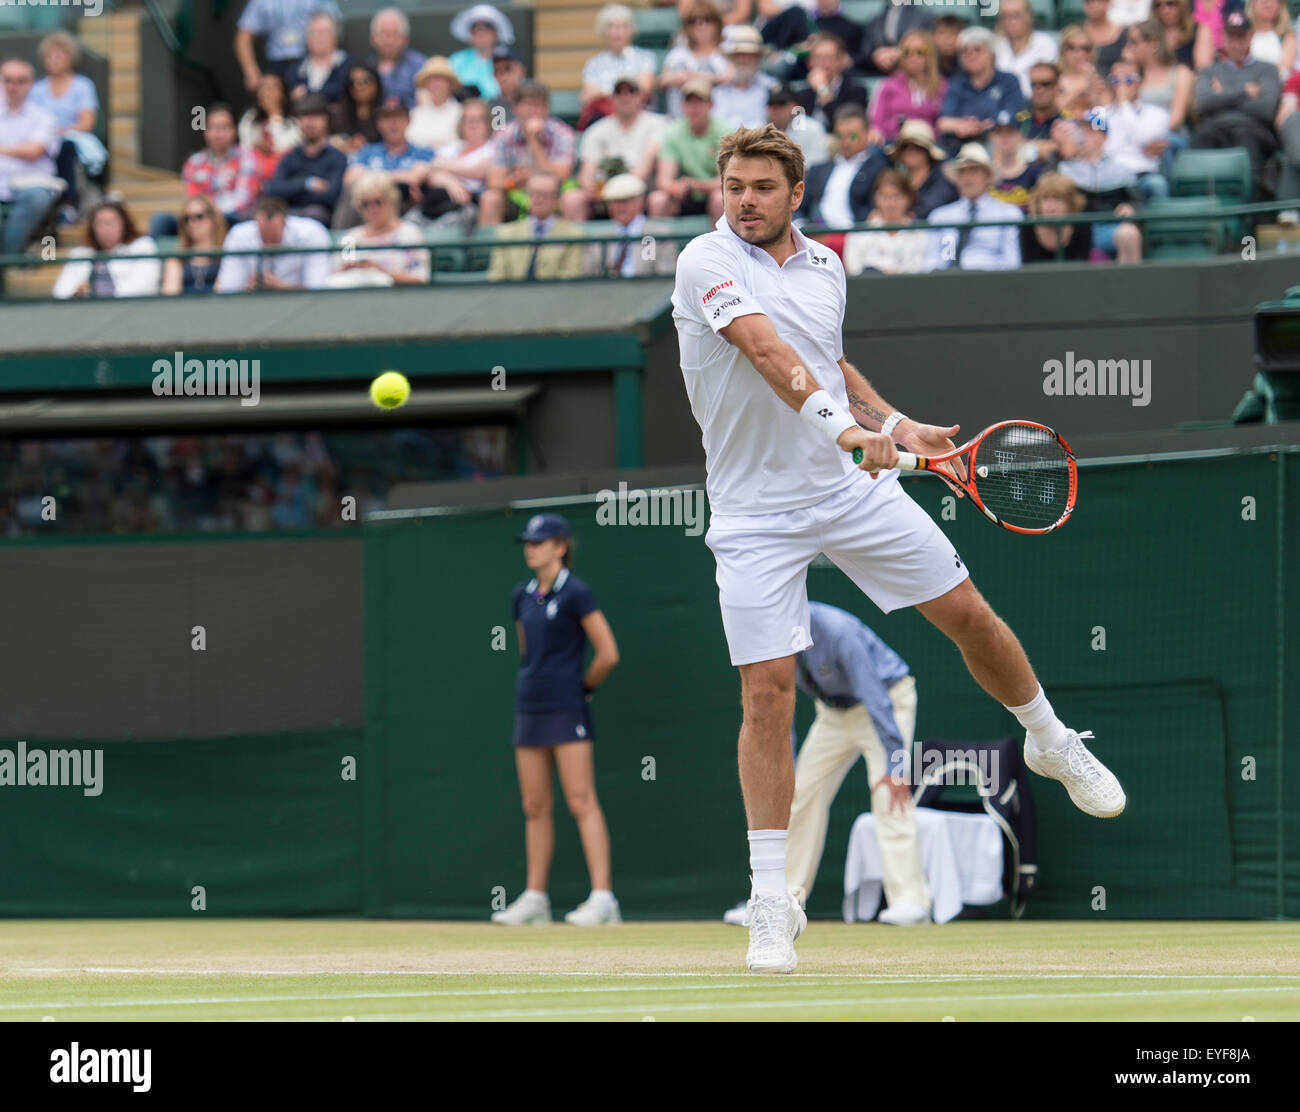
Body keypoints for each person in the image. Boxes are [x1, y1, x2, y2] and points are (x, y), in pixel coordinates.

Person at [669, 122, 1125, 972]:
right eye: (735, 185)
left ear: (796, 193)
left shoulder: (829, 266)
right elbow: (766, 354)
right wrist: (846, 431)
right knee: (768, 696)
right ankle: (774, 900)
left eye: (764, 187)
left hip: (851, 491)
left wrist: (892, 422)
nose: (746, 200)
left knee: (970, 617)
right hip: (753, 513)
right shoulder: (705, 260)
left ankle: (1050, 739)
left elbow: (827, 364)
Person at [723, 601, 930, 925]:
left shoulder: (838, 631)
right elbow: (777, 717)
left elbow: (875, 695)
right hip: (833, 715)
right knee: (798, 796)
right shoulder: (773, 640)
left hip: (887, 704)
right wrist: (782, 773)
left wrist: (897, 764)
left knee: (889, 794)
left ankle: (911, 901)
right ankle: (780, 899)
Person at [491, 513, 622, 927]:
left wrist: (583, 688)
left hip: (568, 707)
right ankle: (536, 899)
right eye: (527, 542)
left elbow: (608, 653)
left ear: (560, 547)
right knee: (534, 805)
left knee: (581, 800)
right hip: (530, 705)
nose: (530, 547)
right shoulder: (521, 596)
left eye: (539, 541)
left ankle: (603, 899)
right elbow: (527, 651)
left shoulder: (577, 593)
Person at [1192, 11, 1281, 181]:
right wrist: (1245, 92)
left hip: (1252, 130)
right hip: (1214, 130)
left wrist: (1221, 94)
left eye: (1241, 37)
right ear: (1223, 38)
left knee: (1245, 139)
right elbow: (1203, 103)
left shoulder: (1267, 69)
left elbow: (1265, 109)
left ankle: (1248, 203)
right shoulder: (1209, 71)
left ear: (1250, 37)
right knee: (1200, 141)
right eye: (1231, 38)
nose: (1235, 44)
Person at [29, 31, 104, 224]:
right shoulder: (36, 89)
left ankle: (68, 204)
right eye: (49, 56)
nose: (53, 60)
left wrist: (60, 132)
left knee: (64, 147)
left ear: (70, 58)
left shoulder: (82, 86)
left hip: (71, 141)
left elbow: (87, 123)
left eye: (59, 55)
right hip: (42, 142)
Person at [478, 82, 578, 226]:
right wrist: (513, 181)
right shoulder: (503, 135)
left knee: (574, 198)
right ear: (516, 108)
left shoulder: (563, 133)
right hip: (516, 196)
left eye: (540, 106)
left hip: (553, 194)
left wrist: (533, 141)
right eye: (530, 105)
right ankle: (491, 249)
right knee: (490, 198)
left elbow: (561, 176)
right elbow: (493, 180)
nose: (535, 111)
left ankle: (572, 247)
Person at [571, 76, 666, 221]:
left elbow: (644, 168)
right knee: (573, 199)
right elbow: (586, 174)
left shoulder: (658, 124)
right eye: (619, 92)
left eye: (631, 91)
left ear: (641, 97)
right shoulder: (596, 130)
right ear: (611, 98)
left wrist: (620, 190)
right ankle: (578, 243)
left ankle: (656, 243)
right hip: (604, 195)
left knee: (658, 199)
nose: (625, 97)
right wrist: (593, 189)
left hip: (643, 191)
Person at [0, 56, 62, 274]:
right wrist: (19, 149)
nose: (12, 86)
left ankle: (8, 260)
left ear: (30, 84)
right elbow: (26, 149)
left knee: (37, 197)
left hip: (31, 187)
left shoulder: (44, 116)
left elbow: (34, 151)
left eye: (20, 80)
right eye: (7, 80)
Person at [1057, 108, 1144, 262]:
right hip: (1074, 229)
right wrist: (1060, 151)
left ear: (1103, 138)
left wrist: (1130, 208)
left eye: (1090, 132)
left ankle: (1130, 283)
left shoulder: (1120, 170)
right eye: (1080, 131)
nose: (1083, 137)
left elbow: (1138, 202)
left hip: (1108, 227)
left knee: (1129, 233)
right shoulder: (1064, 167)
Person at [335, 98, 433, 228]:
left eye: (398, 117)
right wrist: (399, 177)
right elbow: (349, 179)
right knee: (353, 193)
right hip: (366, 211)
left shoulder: (423, 152)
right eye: (387, 118)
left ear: (408, 120)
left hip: (404, 210)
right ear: (379, 123)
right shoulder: (367, 151)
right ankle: (343, 243)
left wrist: (372, 175)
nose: (393, 123)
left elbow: (415, 178)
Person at [927, 142, 1023, 270]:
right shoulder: (939, 217)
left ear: (987, 176)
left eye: (974, 171)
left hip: (992, 282)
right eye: (961, 172)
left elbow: (1011, 261)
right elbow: (932, 261)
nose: (967, 178)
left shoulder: (1009, 214)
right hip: (949, 283)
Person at [327, 171, 430, 287]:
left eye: (378, 202)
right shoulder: (350, 238)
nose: (372, 209)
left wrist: (380, 271)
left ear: (391, 200)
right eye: (365, 204)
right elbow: (335, 276)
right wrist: (351, 267)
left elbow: (420, 278)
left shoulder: (409, 233)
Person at [936, 25, 1027, 155]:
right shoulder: (957, 83)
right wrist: (963, 125)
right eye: (964, 51)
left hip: (998, 146)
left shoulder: (1009, 81)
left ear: (992, 54)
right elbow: (943, 122)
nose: (970, 55)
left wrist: (983, 127)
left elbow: (1016, 117)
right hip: (959, 145)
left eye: (977, 50)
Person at [796, 104, 890, 230]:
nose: (846, 142)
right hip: (817, 237)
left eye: (852, 136)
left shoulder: (880, 169)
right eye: (840, 136)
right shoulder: (818, 170)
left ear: (867, 134)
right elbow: (799, 206)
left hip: (857, 236)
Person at [215, 194, 332, 292]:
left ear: (285, 223)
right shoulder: (238, 235)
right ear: (256, 222)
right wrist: (248, 289)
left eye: (274, 235)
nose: (269, 241)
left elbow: (318, 290)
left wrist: (282, 288)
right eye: (264, 235)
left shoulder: (312, 233)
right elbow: (227, 290)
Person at [263, 93, 348, 225]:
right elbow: (273, 189)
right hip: (287, 218)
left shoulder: (337, 157)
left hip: (320, 222)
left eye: (315, 116)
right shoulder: (290, 157)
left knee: (315, 212)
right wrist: (308, 183)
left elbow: (331, 196)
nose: (309, 122)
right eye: (304, 116)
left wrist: (291, 192)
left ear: (327, 120)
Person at [650, 77, 728, 220]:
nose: (694, 107)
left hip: (713, 194)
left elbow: (727, 180)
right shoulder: (672, 132)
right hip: (683, 198)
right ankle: (664, 243)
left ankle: (723, 242)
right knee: (658, 200)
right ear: (682, 106)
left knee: (719, 197)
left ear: (710, 105)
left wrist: (699, 186)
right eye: (689, 102)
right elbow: (663, 180)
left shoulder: (724, 132)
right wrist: (675, 188)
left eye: (699, 102)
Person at [486, 171, 585, 280]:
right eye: (533, 193)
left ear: (556, 199)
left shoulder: (574, 234)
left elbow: (571, 275)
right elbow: (496, 276)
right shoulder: (505, 233)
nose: (537, 199)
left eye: (544, 195)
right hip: (513, 294)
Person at [52, 198, 160, 299]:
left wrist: (106, 298)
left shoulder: (143, 247)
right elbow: (60, 292)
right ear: (93, 228)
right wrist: (77, 293)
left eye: (111, 223)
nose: (106, 229)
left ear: (124, 224)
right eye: (100, 223)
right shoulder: (79, 254)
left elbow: (144, 286)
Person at [418, 98, 495, 226]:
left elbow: (479, 171)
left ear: (487, 123)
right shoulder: (451, 147)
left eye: (478, 119)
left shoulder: (492, 148)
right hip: (436, 198)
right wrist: (451, 183)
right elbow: (429, 174)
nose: (472, 124)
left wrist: (441, 166)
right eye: (467, 119)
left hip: (468, 202)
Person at [1125, 19, 1194, 160]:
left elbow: (1177, 117)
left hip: (1172, 138)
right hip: (1139, 140)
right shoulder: (1133, 78)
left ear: (1153, 43)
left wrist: (1149, 137)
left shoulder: (1180, 73)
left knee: (1164, 145)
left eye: (1133, 42)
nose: (1129, 47)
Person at [235, 0, 341, 91]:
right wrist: (251, 71)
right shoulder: (260, 2)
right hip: (276, 64)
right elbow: (243, 38)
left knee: (313, 104)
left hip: (309, 60)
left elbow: (334, 27)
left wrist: (329, 61)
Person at [586, 172, 677, 276]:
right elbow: (589, 276)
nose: (619, 207)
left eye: (625, 201)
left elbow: (665, 276)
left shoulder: (659, 234)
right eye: (614, 202)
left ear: (640, 201)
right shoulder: (599, 237)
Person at [1105, 57, 1172, 198]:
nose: (1121, 86)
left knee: (1157, 184)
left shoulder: (1158, 113)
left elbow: (1141, 136)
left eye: (1128, 80)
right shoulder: (1099, 113)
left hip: (1142, 174)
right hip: (1109, 175)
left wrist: (1124, 104)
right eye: (1116, 80)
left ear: (1141, 82)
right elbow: (1096, 144)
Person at [842, 168, 928, 275]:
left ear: (908, 198)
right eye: (884, 196)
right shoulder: (859, 232)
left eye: (896, 196)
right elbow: (853, 269)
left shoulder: (921, 233)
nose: (891, 203)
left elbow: (920, 268)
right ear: (875, 198)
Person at [869, 29, 947, 146]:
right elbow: (876, 122)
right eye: (907, 52)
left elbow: (943, 123)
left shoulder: (942, 86)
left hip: (929, 144)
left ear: (930, 55)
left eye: (920, 51)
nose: (913, 57)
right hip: (893, 142)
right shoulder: (888, 85)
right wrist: (876, 131)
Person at [582, 3, 658, 116]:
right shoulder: (594, 63)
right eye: (611, 26)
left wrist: (604, 91)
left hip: (639, 117)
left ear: (631, 30)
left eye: (623, 26)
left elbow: (645, 88)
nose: (617, 32)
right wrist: (628, 90)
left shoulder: (645, 57)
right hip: (605, 118)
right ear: (603, 30)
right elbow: (588, 96)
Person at [661, 0, 729, 119]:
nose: (700, 25)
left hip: (716, 123)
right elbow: (662, 80)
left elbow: (728, 77)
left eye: (707, 19)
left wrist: (691, 77)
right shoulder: (677, 54)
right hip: (679, 120)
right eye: (694, 21)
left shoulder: (725, 53)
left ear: (717, 23)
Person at [795, 32, 868, 133]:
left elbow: (847, 128)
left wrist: (822, 89)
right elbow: (797, 128)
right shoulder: (801, 93)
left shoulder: (856, 90)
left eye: (828, 57)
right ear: (809, 62)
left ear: (840, 61)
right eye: (817, 57)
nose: (822, 63)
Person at [239, 73, 302, 186]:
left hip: (285, 173)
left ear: (283, 93)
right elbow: (245, 146)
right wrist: (257, 145)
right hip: (255, 172)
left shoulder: (295, 121)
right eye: (263, 87)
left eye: (273, 87)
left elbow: (293, 146)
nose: (267, 92)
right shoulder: (250, 117)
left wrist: (274, 112)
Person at [1019, 171, 1094, 263]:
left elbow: (1081, 265)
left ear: (1070, 203)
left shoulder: (1082, 226)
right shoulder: (1027, 226)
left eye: (1058, 199)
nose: (1051, 207)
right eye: (1046, 199)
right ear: (1038, 202)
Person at [713, 24, 778, 128]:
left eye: (749, 55)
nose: (742, 59)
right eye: (738, 55)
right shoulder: (717, 91)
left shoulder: (772, 87)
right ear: (730, 58)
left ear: (758, 58)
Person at [889, 119, 957, 219]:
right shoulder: (898, 177)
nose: (910, 151)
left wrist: (906, 216)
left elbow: (935, 203)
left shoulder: (942, 175)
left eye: (917, 147)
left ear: (928, 151)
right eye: (905, 146)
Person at [161, 195, 226, 295]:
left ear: (213, 218)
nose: (192, 223)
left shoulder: (226, 255)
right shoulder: (177, 258)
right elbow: (170, 295)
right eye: (187, 219)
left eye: (199, 216)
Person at [450, 3, 515, 101]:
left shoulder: (507, 60)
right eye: (474, 27)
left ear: (496, 33)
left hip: (500, 112)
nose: (480, 30)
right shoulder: (455, 60)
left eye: (487, 26)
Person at [996, 0, 1059, 98]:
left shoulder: (1045, 44)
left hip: (1034, 106)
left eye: (1016, 15)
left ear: (1029, 16)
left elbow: (1048, 82)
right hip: (1001, 105)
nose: (1011, 21)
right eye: (1005, 16)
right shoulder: (995, 46)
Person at [365, 7, 427, 108]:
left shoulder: (420, 65)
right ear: (373, 39)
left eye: (395, 34)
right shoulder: (366, 67)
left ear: (406, 39)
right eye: (383, 34)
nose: (389, 41)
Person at [289, 11, 351, 107]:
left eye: (323, 32)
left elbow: (343, 91)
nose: (317, 37)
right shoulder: (295, 70)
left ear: (335, 36)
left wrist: (307, 93)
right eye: (312, 32)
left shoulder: (349, 64)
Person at [857, 0, 935, 77]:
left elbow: (927, 47)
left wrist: (898, 52)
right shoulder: (877, 17)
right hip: (877, 68)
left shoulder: (924, 17)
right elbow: (866, 49)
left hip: (911, 70)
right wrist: (877, 55)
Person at [988, 109, 1044, 211]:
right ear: (992, 137)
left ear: (1020, 135)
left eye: (1010, 132)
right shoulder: (985, 174)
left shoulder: (1034, 173)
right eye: (999, 133)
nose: (1004, 137)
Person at [407, 57, 463, 153]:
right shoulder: (415, 114)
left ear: (450, 84)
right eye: (431, 79)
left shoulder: (462, 112)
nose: (436, 83)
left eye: (441, 79)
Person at [768, 82, 829, 166]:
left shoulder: (812, 128)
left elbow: (817, 163)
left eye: (782, 103)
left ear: (795, 106)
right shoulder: (757, 128)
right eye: (771, 104)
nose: (776, 108)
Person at [1019, 62, 1069, 163]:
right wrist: (1052, 146)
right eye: (1034, 84)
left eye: (1046, 84)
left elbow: (1069, 149)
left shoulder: (1068, 119)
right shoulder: (1019, 118)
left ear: (1057, 86)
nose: (1039, 89)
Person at [1058, 25, 1111, 118]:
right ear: (1063, 50)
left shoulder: (1098, 81)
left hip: (1091, 130)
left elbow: (1100, 123)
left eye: (1085, 48)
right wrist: (1081, 91)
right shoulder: (1052, 80)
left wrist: (1094, 98)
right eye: (1071, 47)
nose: (1079, 54)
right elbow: (1053, 112)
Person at [334, 64, 384, 153]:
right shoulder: (338, 115)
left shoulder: (387, 112)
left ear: (376, 83)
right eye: (352, 82)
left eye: (365, 81)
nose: (358, 86)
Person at [1245, 0, 1295, 74]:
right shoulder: (1243, 34)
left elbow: (1285, 68)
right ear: (1253, 4)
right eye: (1263, 1)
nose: (1268, 4)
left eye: (1272, 1)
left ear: (1279, 6)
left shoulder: (1287, 36)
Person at [1083, 0, 1131, 76]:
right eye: (1088, 1)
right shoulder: (1078, 33)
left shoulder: (1123, 33)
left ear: (1108, 2)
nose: (1093, 4)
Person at [1153, 0, 1198, 66]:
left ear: (1181, 5)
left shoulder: (1195, 32)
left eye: (1170, 3)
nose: (1165, 11)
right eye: (1158, 5)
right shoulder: (1151, 37)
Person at [489, 46, 527, 124]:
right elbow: (498, 134)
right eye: (497, 71)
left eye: (507, 69)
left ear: (521, 71)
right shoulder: (493, 106)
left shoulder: (534, 100)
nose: (503, 77)